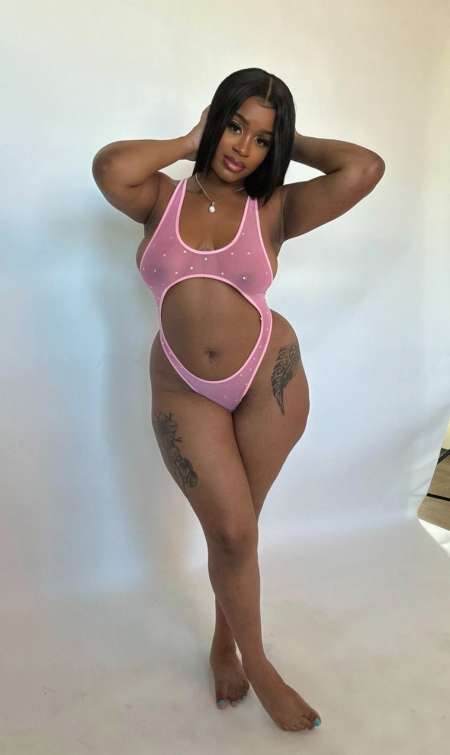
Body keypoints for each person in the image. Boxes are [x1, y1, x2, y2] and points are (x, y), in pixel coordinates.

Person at [92, 67, 385, 732]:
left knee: (241, 527)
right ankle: (255, 659)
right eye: (234, 126)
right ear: (214, 119)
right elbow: (109, 166)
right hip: (181, 384)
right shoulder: (159, 196)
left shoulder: (274, 207)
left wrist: (288, 139)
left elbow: (364, 168)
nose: (242, 148)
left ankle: (233, 646)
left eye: (261, 140)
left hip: (266, 375)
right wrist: (186, 141)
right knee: (230, 531)